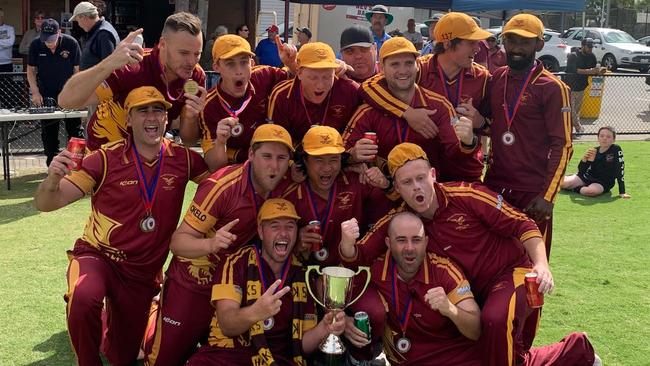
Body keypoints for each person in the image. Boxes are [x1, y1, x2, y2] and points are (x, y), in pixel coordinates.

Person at [33, 86, 208, 366]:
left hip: (142, 273)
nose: (151, 117)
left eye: (158, 110)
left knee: (123, 356)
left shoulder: (184, 159)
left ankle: (112, 318)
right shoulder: (104, 158)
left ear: (167, 119)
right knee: (84, 296)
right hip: (99, 257)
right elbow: (46, 203)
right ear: (128, 119)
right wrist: (53, 179)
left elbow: (219, 185)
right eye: (142, 110)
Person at [340, 143, 555, 366]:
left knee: (494, 320)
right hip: (472, 293)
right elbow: (358, 255)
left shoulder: (467, 194)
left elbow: (523, 224)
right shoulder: (403, 222)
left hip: (510, 274)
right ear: (397, 188)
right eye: (407, 182)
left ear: (433, 175)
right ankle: (575, 350)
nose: (417, 188)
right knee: (504, 352)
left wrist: (541, 264)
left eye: (421, 178)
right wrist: (346, 241)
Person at [348, 210, 601, 366]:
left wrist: (449, 309)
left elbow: (476, 327)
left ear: (426, 242)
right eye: (401, 241)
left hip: (459, 358)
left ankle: (577, 348)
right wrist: (345, 322)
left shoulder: (444, 271)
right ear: (388, 243)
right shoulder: (375, 270)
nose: (409, 248)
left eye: (416, 240)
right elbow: (346, 294)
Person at [145, 124, 295, 366]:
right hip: (195, 282)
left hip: (237, 287)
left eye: (281, 158)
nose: (274, 166)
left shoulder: (286, 185)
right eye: (267, 156)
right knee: (165, 359)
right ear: (251, 155)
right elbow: (178, 242)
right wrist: (212, 244)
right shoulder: (221, 186)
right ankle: (152, 316)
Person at [185, 198, 346, 364]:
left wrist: (324, 328)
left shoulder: (301, 275)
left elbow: (302, 345)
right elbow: (227, 324)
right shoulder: (235, 263)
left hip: (278, 359)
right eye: (275, 226)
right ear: (261, 231)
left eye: (290, 227)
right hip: (229, 355)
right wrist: (256, 311)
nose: (283, 233)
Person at [358, 12, 492, 182]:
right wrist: (407, 113)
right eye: (471, 42)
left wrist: (480, 122)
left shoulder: (483, 77)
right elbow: (368, 86)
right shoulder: (417, 68)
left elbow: (498, 127)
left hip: (463, 168)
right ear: (448, 43)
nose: (478, 48)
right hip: (424, 170)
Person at [483, 13, 572, 260]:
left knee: (531, 264)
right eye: (511, 40)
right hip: (495, 186)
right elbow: (489, 123)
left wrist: (548, 196)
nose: (517, 48)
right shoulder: (497, 78)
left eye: (525, 41)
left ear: (539, 44)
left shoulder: (553, 88)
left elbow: (562, 145)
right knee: (492, 258)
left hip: (533, 193)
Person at [58, 12, 206, 151]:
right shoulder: (133, 66)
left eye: (197, 54)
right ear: (162, 44)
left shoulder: (196, 76)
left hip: (147, 161)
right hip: (104, 158)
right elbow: (66, 101)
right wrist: (109, 62)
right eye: (184, 53)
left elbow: (189, 140)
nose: (191, 61)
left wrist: (191, 117)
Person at [343, 37, 478, 182]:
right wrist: (353, 155)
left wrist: (468, 142)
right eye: (395, 64)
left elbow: (455, 155)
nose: (403, 71)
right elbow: (340, 154)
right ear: (381, 67)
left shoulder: (440, 106)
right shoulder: (368, 111)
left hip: (426, 194)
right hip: (382, 195)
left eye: (408, 63)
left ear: (417, 65)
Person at [283, 125, 390, 266]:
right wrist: (295, 242)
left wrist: (385, 184)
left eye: (334, 159)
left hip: (349, 269)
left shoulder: (359, 180)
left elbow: (391, 211)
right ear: (305, 161)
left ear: (342, 160)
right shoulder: (290, 194)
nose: (327, 168)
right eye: (318, 160)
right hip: (305, 274)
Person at [198, 34, 291, 171]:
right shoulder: (208, 105)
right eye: (230, 64)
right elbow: (215, 167)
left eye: (244, 62)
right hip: (237, 170)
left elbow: (298, 79)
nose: (239, 71)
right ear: (216, 67)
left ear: (252, 64)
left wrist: (291, 62)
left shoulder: (263, 75)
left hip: (274, 162)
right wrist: (220, 142)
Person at [267, 41, 360, 145]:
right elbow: (276, 143)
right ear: (299, 73)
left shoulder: (349, 90)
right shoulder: (282, 96)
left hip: (337, 157)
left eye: (327, 77)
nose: (320, 85)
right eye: (313, 78)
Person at [26, 18, 84, 166]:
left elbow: (78, 71)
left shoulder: (71, 43)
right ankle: (52, 166)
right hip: (46, 93)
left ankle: (76, 165)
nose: (48, 43)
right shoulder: (35, 44)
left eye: (51, 39)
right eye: (45, 39)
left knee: (75, 130)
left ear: (59, 32)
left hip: (69, 93)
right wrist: (35, 92)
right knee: (49, 132)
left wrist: (77, 94)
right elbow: (31, 70)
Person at [562, 126, 630, 199]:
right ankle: (570, 179)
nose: (604, 138)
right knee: (562, 184)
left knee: (590, 191)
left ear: (613, 140)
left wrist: (622, 192)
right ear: (598, 138)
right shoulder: (594, 150)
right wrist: (584, 160)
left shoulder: (616, 149)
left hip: (602, 183)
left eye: (608, 136)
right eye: (602, 136)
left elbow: (620, 170)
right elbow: (581, 171)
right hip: (587, 177)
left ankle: (575, 189)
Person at [565, 38, 607, 135]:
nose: (590, 49)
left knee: (577, 110)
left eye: (591, 47)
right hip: (569, 86)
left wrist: (599, 71)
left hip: (581, 86)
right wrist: (590, 71)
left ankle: (570, 129)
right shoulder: (573, 56)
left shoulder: (591, 56)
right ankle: (578, 127)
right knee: (571, 110)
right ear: (582, 46)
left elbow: (594, 70)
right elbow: (575, 70)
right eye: (588, 47)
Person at [70, 1, 119, 70]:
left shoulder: (103, 34)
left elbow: (108, 68)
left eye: (78, 21)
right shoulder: (98, 31)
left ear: (84, 17)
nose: (79, 25)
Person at [0, 8, 14, 73]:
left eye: (0, 15)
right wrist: (4, 42)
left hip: (7, 63)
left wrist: (6, 43)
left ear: (2, 17)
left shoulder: (9, 29)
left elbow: (10, 42)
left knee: (7, 83)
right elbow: (7, 43)